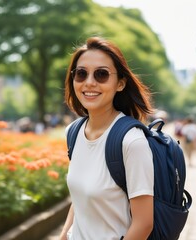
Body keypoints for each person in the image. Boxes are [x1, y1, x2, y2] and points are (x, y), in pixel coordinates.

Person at [60, 36, 154, 240]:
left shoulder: (132, 142)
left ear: (120, 83)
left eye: (101, 74)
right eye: (81, 74)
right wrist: (63, 235)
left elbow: (144, 223)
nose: (89, 82)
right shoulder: (73, 132)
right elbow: (80, 201)